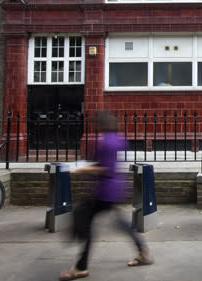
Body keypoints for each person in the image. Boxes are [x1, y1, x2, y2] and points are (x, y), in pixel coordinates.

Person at [59, 111, 153, 281]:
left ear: (100, 125)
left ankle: (81, 267)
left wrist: (80, 169)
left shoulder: (107, 143)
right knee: (119, 222)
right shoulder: (119, 139)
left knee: (84, 221)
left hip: (104, 190)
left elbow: (105, 168)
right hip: (115, 188)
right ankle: (143, 251)